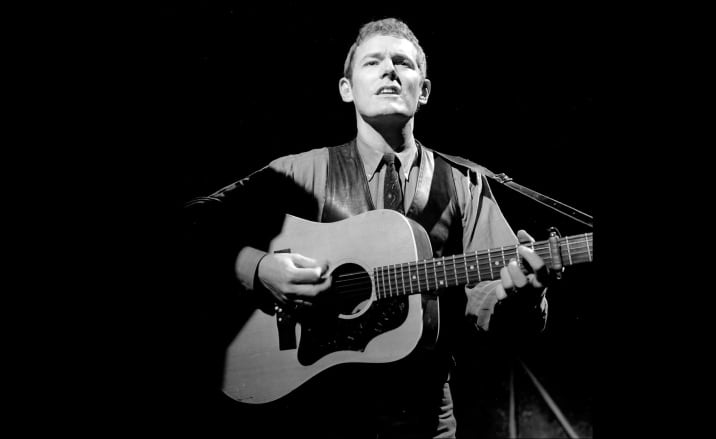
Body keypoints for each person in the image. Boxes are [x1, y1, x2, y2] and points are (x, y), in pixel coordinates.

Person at [183, 17, 549, 439]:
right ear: (346, 88)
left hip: (426, 418)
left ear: (424, 90)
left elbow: (495, 321)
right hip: (314, 410)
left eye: (403, 63)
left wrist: (526, 295)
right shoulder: (299, 172)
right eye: (373, 62)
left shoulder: (465, 185)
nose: (390, 70)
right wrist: (260, 269)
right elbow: (193, 223)